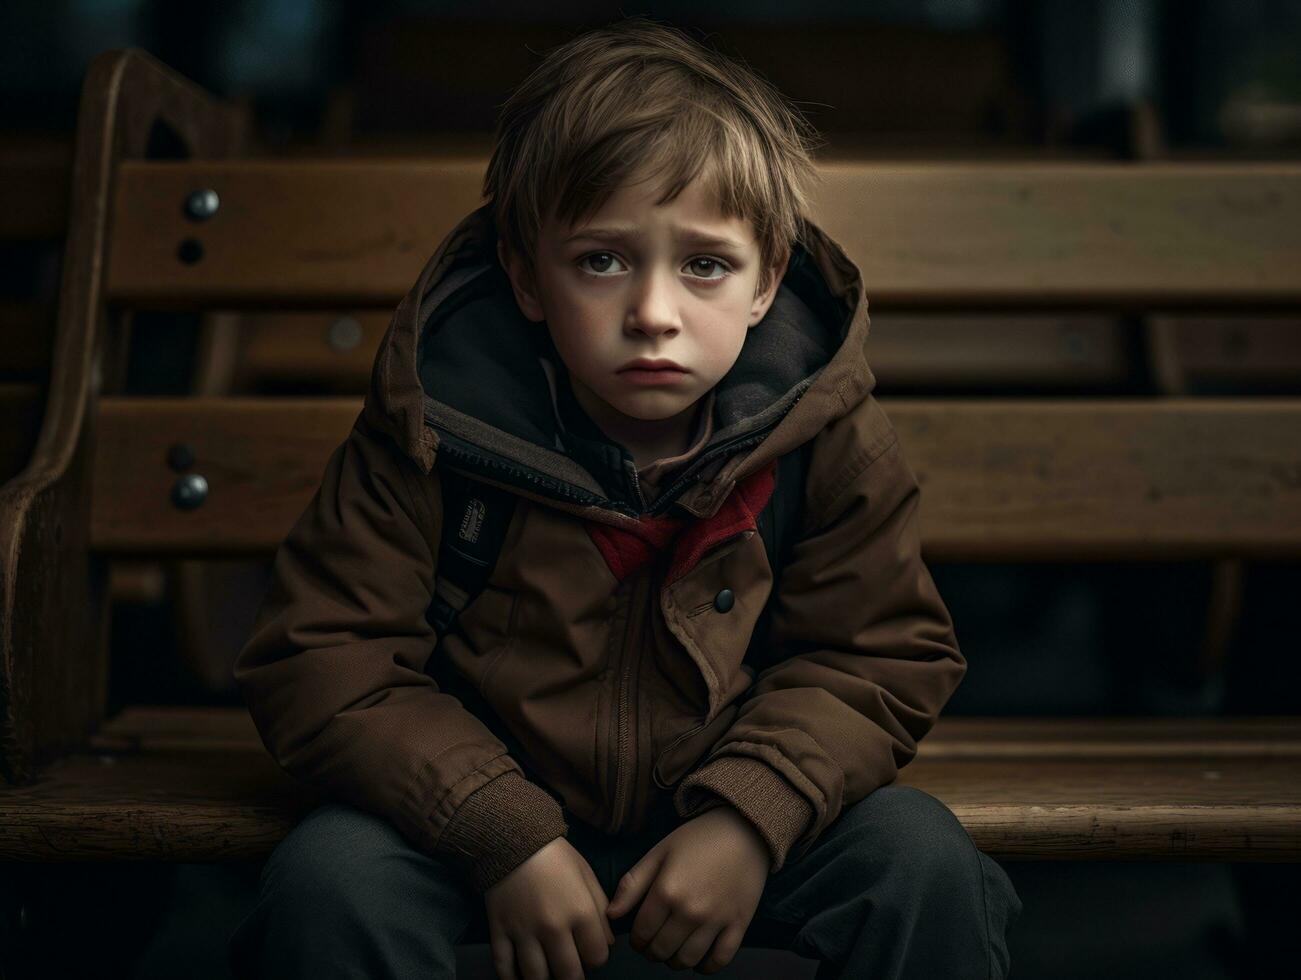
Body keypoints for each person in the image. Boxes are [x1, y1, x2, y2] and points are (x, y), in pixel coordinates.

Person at [229, 16, 1022, 980]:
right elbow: (323, 655)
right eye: (602, 260)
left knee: (919, 859)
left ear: (766, 282)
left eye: (704, 265)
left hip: (726, 812)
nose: (653, 313)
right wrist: (498, 831)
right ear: (525, 274)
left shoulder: (826, 437)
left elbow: (878, 653)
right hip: (469, 814)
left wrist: (749, 816)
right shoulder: (433, 428)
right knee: (330, 878)